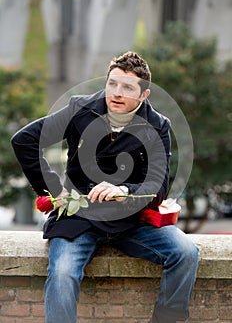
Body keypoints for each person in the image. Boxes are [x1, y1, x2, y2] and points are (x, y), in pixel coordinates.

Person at [11, 51, 199, 323]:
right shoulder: (81, 108)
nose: (116, 93)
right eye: (112, 83)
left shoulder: (158, 126)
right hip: (80, 219)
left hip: (131, 221)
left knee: (186, 253)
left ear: (144, 94)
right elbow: (24, 140)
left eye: (127, 87)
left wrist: (126, 191)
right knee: (62, 273)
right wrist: (55, 190)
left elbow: (157, 186)